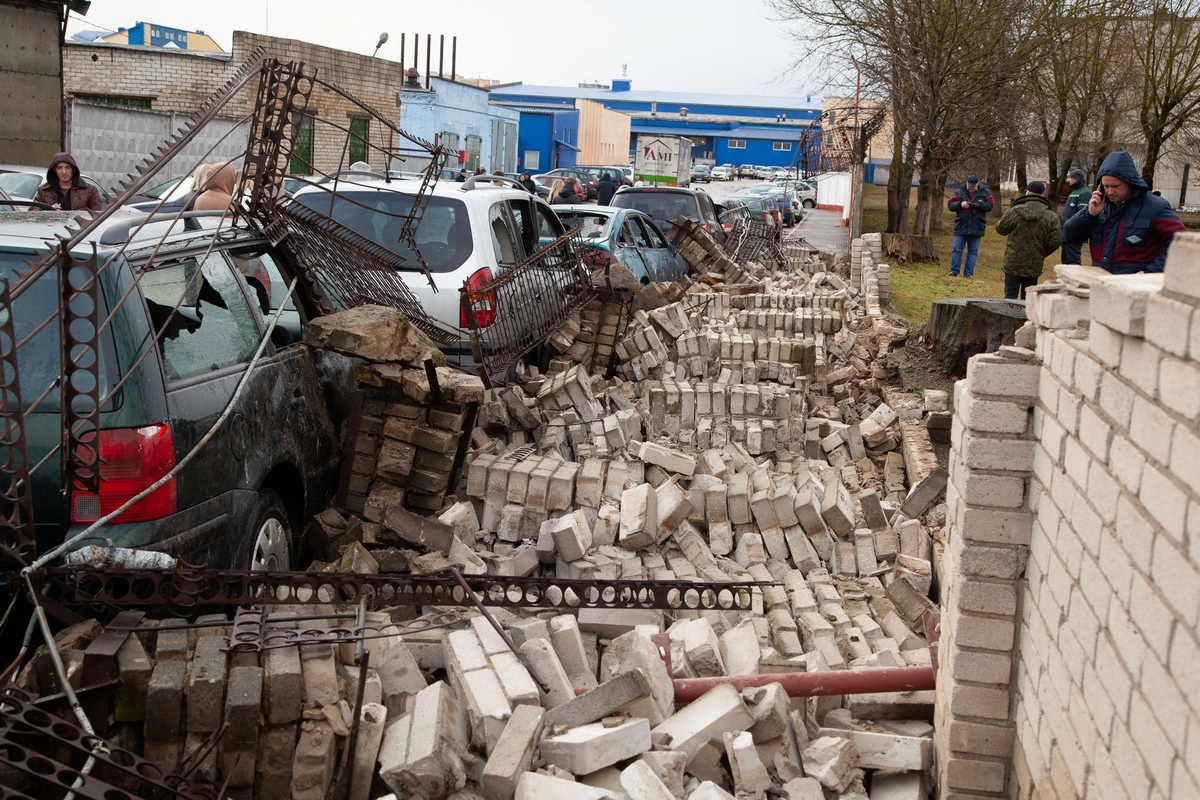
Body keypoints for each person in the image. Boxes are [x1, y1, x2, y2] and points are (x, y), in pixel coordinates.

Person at [1062, 150, 1187, 274]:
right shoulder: (1099, 205)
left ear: (1130, 182)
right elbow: (1070, 236)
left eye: (1116, 186)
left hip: (1137, 289)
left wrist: (1150, 272)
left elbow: (1183, 245)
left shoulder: (1156, 208)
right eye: (1106, 186)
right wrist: (1089, 214)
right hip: (1101, 285)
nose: (1110, 192)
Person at [996, 181, 1062, 300]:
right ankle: (1025, 318)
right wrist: (1041, 251)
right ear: (1042, 195)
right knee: (1029, 299)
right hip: (1034, 262)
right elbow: (1056, 240)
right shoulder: (1051, 216)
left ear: (1027, 192)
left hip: (1013, 261)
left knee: (1010, 296)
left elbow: (1001, 229)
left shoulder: (1014, 211)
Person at [946, 174, 994, 278]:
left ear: (977, 184)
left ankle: (968, 273)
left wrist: (978, 206)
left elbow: (990, 205)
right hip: (961, 225)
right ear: (967, 183)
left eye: (973, 187)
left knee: (973, 251)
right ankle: (954, 271)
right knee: (956, 249)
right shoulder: (959, 191)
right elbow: (950, 204)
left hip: (977, 226)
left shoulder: (985, 192)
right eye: (969, 186)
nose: (971, 189)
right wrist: (960, 204)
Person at [34, 152, 102, 212]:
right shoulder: (43, 191)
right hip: (52, 226)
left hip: (81, 226)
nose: (64, 172)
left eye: (67, 167)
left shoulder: (90, 191)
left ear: (73, 169)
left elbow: (99, 215)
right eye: (60, 168)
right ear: (54, 169)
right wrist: (49, 212)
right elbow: (32, 213)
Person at [1059, 168, 1090, 264]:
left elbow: (1083, 213)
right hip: (1066, 233)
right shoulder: (1074, 192)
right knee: (1065, 260)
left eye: (1070, 178)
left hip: (1074, 234)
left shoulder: (1085, 193)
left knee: (1073, 262)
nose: (1069, 180)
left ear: (1076, 179)